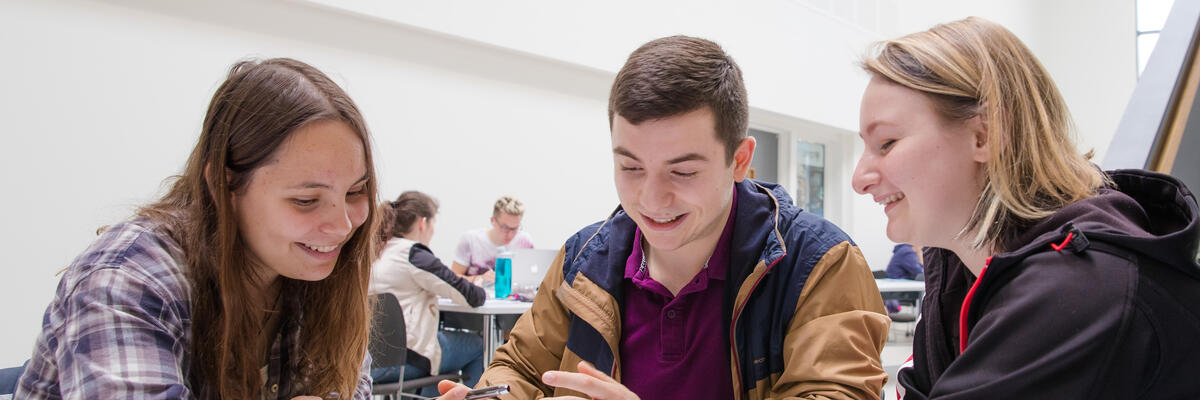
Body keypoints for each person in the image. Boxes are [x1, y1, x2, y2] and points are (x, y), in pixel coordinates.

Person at [439, 35, 889, 400]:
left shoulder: (818, 263)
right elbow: (519, 367)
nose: (651, 199)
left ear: (739, 160)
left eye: (683, 171)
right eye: (630, 167)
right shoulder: (584, 258)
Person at [852, 17, 1200, 399]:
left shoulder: (1081, 290)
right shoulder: (956, 268)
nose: (860, 178)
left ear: (984, 136)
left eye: (886, 143)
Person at [17, 58, 379, 399]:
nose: (342, 226)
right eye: (305, 200)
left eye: (355, 192)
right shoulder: (130, 276)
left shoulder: (318, 276)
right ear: (224, 187)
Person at [369, 191, 486, 395]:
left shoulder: (379, 251)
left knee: (440, 353)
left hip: (371, 359)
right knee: (476, 346)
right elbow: (472, 297)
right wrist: (481, 281)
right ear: (423, 223)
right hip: (405, 358)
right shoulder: (415, 255)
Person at [450, 196, 535, 285]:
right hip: (477, 295)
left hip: (512, 296)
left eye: (515, 228)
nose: (510, 234)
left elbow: (531, 277)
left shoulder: (524, 241)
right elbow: (454, 277)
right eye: (504, 227)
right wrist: (479, 278)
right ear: (493, 221)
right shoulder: (471, 239)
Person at [884, 243, 923, 314]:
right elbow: (920, 273)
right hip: (897, 290)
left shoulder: (903, 250)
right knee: (925, 294)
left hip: (895, 287)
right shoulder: (907, 252)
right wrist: (920, 255)